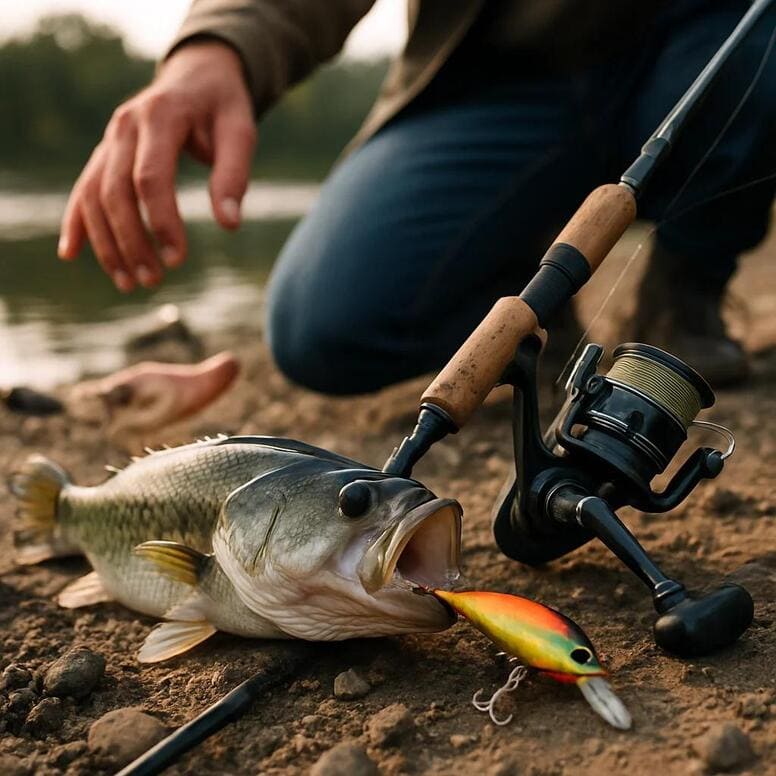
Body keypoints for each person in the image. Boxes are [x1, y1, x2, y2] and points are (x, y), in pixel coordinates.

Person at [58, 0, 776, 398]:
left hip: (713, 44)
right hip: (499, 85)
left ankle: (686, 288)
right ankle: (536, 318)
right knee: (322, 325)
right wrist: (213, 48)